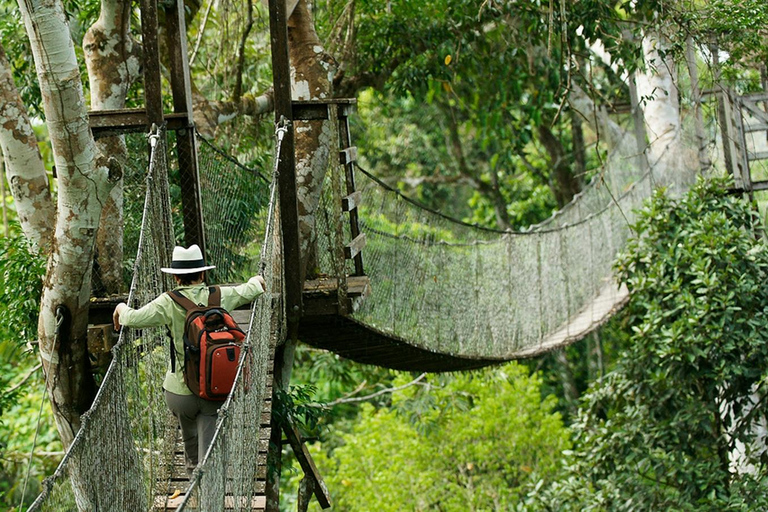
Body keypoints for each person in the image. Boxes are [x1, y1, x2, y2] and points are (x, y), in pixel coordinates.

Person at [113, 244, 265, 475]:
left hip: (179, 395)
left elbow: (133, 318)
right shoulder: (219, 295)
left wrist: (121, 307)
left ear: (175, 276)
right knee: (209, 441)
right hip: (213, 390)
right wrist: (257, 279)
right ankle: (206, 480)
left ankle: (192, 468)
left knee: (188, 431)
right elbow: (252, 290)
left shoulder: (168, 301)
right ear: (202, 273)